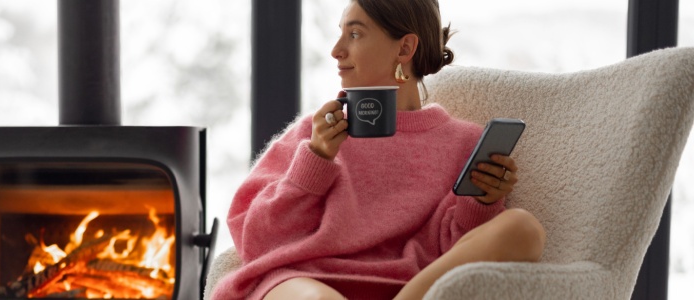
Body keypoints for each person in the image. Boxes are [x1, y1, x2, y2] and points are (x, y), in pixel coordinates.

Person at [208, 0, 546, 299]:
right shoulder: (315, 133)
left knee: (522, 226)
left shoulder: (463, 143)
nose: (336, 50)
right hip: (303, 281)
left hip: (412, 287)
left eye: (354, 34)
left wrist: (482, 201)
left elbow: (453, 251)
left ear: (404, 49)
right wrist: (315, 161)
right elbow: (255, 240)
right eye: (340, 33)